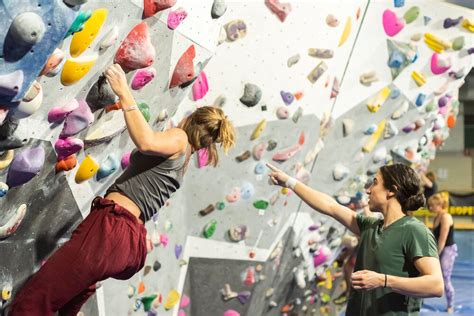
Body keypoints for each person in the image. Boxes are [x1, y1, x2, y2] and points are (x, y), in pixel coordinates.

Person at [8, 64, 236, 315]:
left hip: (112, 230)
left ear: (191, 120)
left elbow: (147, 141)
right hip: (126, 244)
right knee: (65, 306)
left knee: (36, 301)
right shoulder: (185, 161)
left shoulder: (180, 139)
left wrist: (124, 92)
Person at [267, 163, 443, 315]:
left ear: (392, 191)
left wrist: (383, 280)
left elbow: (436, 285)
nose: (368, 190)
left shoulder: (414, 231)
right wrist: (289, 182)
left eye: (374, 183)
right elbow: (330, 206)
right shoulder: (370, 227)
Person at [427, 193, 457, 314]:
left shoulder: (446, 217)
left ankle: (450, 305)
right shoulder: (436, 217)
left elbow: (442, 240)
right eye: (429, 206)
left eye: (432, 206)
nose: (429, 208)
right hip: (440, 248)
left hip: (448, 249)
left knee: (445, 277)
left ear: (440, 205)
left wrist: (435, 256)